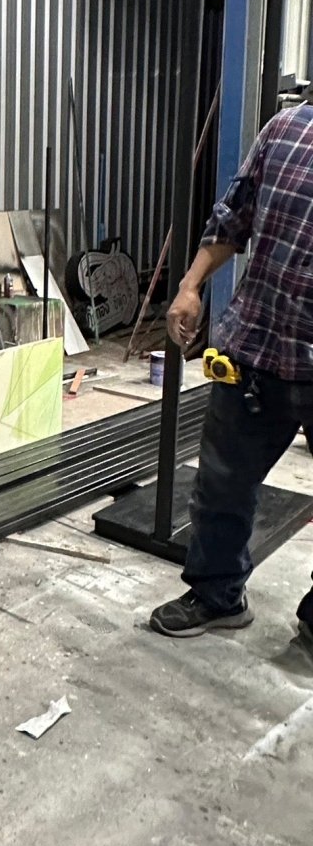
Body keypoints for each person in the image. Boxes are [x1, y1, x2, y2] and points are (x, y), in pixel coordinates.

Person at [150, 100, 313, 646]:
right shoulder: (286, 129)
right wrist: (190, 285)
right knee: (221, 483)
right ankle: (217, 594)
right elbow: (233, 215)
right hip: (257, 347)